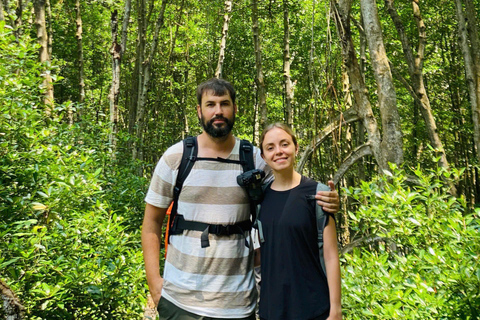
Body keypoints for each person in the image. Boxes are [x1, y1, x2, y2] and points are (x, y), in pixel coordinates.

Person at [141, 78, 340, 320]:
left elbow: (289, 191)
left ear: (235, 109)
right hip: (181, 301)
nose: (218, 111)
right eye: (210, 104)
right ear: (199, 111)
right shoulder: (177, 157)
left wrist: (324, 199)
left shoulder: (255, 159)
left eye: (224, 104)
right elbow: (151, 223)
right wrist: (155, 285)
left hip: (238, 304)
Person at [256, 123, 342, 320]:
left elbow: (330, 256)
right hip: (272, 310)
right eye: (270, 147)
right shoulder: (259, 200)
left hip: (314, 309)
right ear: (263, 157)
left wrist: (336, 309)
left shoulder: (318, 194)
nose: (278, 152)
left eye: (284, 144)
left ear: (296, 147)